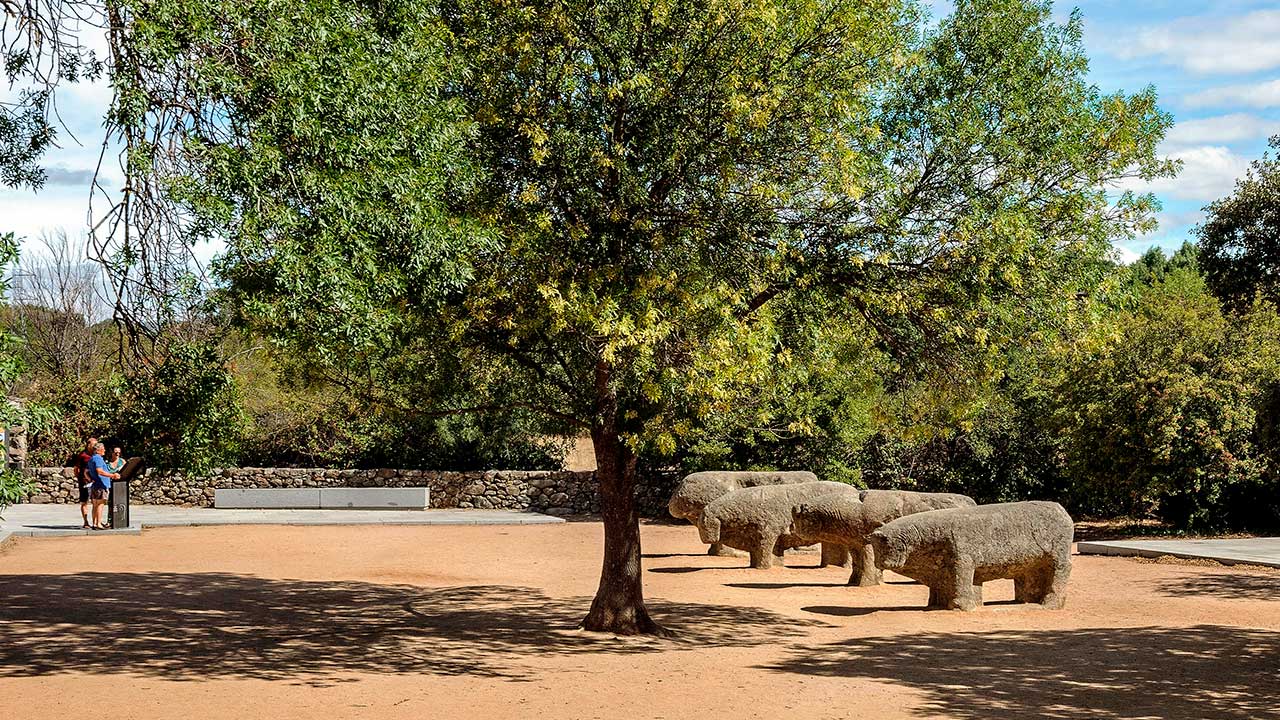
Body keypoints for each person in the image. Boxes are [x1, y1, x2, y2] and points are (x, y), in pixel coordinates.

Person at [86, 442, 120, 531]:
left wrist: (91, 479)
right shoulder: (98, 459)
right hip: (101, 485)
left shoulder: (92, 458)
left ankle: (94, 523)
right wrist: (112, 475)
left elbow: (86, 472)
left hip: (96, 484)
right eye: (103, 449)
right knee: (100, 504)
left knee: (95, 505)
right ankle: (98, 524)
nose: (104, 450)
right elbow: (100, 471)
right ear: (98, 450)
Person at [73, 437, 98, 530]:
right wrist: (80, 478)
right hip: (85, 482)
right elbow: (76, 468)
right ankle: (86, 522)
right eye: (94, 444)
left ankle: (95, 522)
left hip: (96, 482)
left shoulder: (96, 455)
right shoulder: (82, 455)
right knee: (85, 502)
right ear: (88, 445)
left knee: (96, 502)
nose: (96, 446)